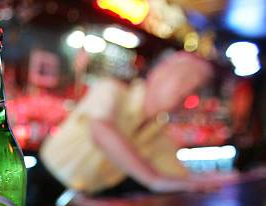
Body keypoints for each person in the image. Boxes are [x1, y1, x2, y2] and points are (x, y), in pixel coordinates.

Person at [40, 51, 238, 196]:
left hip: (78, 196)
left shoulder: (157, 132)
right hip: (40, 182)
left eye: (195, 86)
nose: (185, 90)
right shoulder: (112, 90)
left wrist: (222, 179)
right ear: (157, 73)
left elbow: (180, 177)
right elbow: (101, 131)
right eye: (182, 78)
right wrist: (154, 179)